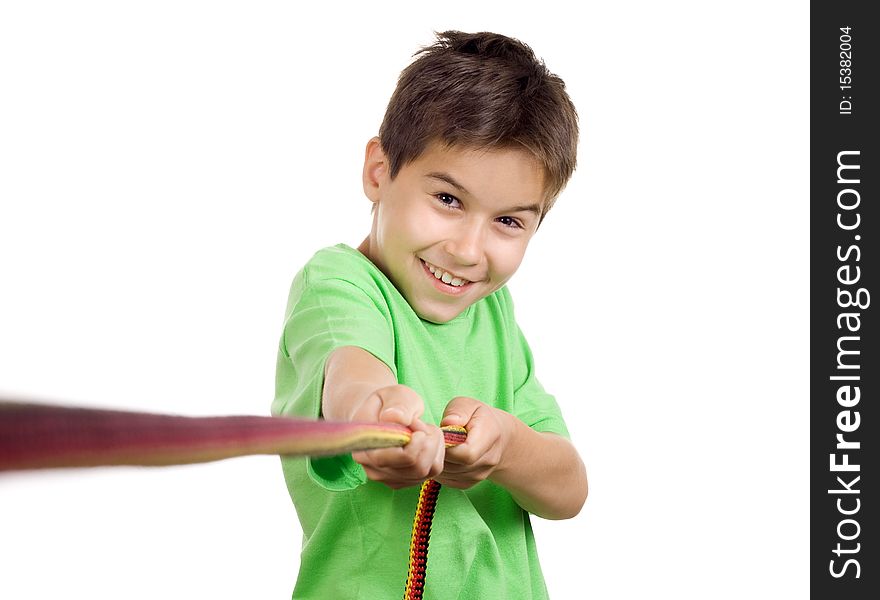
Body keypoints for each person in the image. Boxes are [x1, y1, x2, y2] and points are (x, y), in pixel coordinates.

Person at [271, 30, 587, 599]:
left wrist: (507, 448)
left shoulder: (494, 315)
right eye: (447, 199)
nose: (468, 250)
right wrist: (376, 418)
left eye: (509, 221)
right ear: (378, 171)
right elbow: (351, 372)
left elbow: (569, 491)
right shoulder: (340, 284)